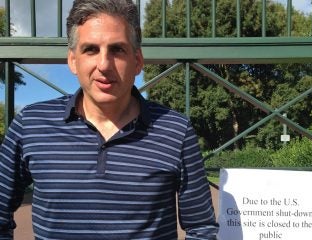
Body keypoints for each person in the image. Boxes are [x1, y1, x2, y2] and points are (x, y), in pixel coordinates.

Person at [0, 0, 218, 239]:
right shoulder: (30, 125)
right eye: (91, 49)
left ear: (137, 61)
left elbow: (201, 227)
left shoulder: (176, 130)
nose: (104, 65)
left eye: (117, 49)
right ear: (73, 60)